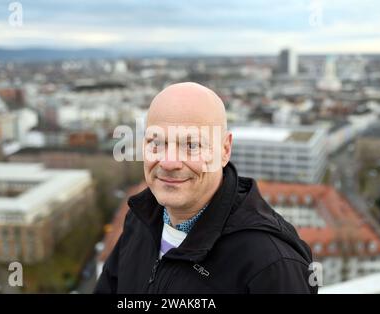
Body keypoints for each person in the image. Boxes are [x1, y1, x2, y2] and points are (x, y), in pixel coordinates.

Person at [95, 82, 318, 293]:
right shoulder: (140, 220)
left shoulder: (271, 264)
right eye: (156, 143)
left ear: (225, 150)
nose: (168, 162)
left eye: (191, 145)